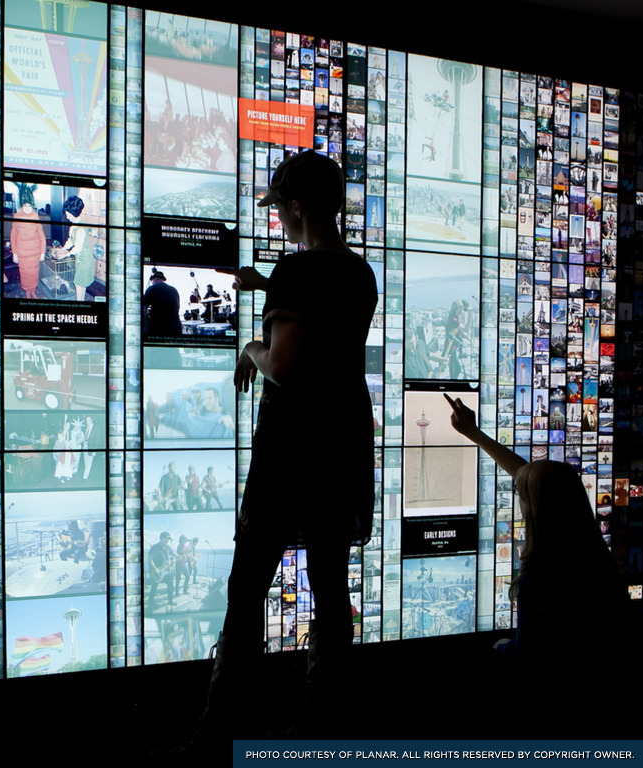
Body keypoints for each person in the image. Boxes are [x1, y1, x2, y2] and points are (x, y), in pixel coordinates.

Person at [171, 150, 377, 752]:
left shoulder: (296, 270)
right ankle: (323, 729)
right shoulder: (359, 273)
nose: (278, 219)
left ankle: (218, 738)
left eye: (281, 208)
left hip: (290, 454)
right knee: (331, 591)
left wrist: (251, 351)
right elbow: (327, 323)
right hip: (341, 448)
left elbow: (285, 364)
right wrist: (271, 287)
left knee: (246, 591)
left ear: (297, 206)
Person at [444, 394, 629, 687]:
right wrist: (474, 433)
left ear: (535, 510)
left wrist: (500, 647)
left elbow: (528, 657)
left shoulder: (541, 578)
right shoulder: (597, 562)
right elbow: (535, 480)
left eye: (523, 497)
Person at [142, 270, 182, 337]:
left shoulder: (151, 289)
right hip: (175, 328)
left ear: (155, 279)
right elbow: (177, 309)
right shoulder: (174, 290)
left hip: (158, 328)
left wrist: (146, 322)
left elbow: (144, 310)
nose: (152, 282)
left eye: (152, 281)